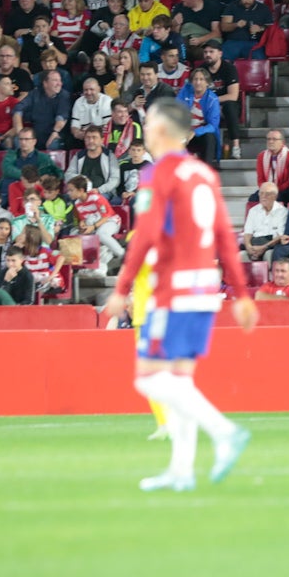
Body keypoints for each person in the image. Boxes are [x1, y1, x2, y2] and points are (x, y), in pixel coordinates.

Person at [100, 99, 257, 491]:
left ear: (163, 130)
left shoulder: (158, 174)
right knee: (179, 380)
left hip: (174, 291)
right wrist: (239, 293)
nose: (144, 128)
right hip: (205, 289)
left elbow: (147, 235)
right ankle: (182, 470)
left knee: (148, 379)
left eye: (149, 123)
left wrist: (121, 289)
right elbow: (224, 233)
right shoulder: (203, 173)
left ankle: (224, 432)